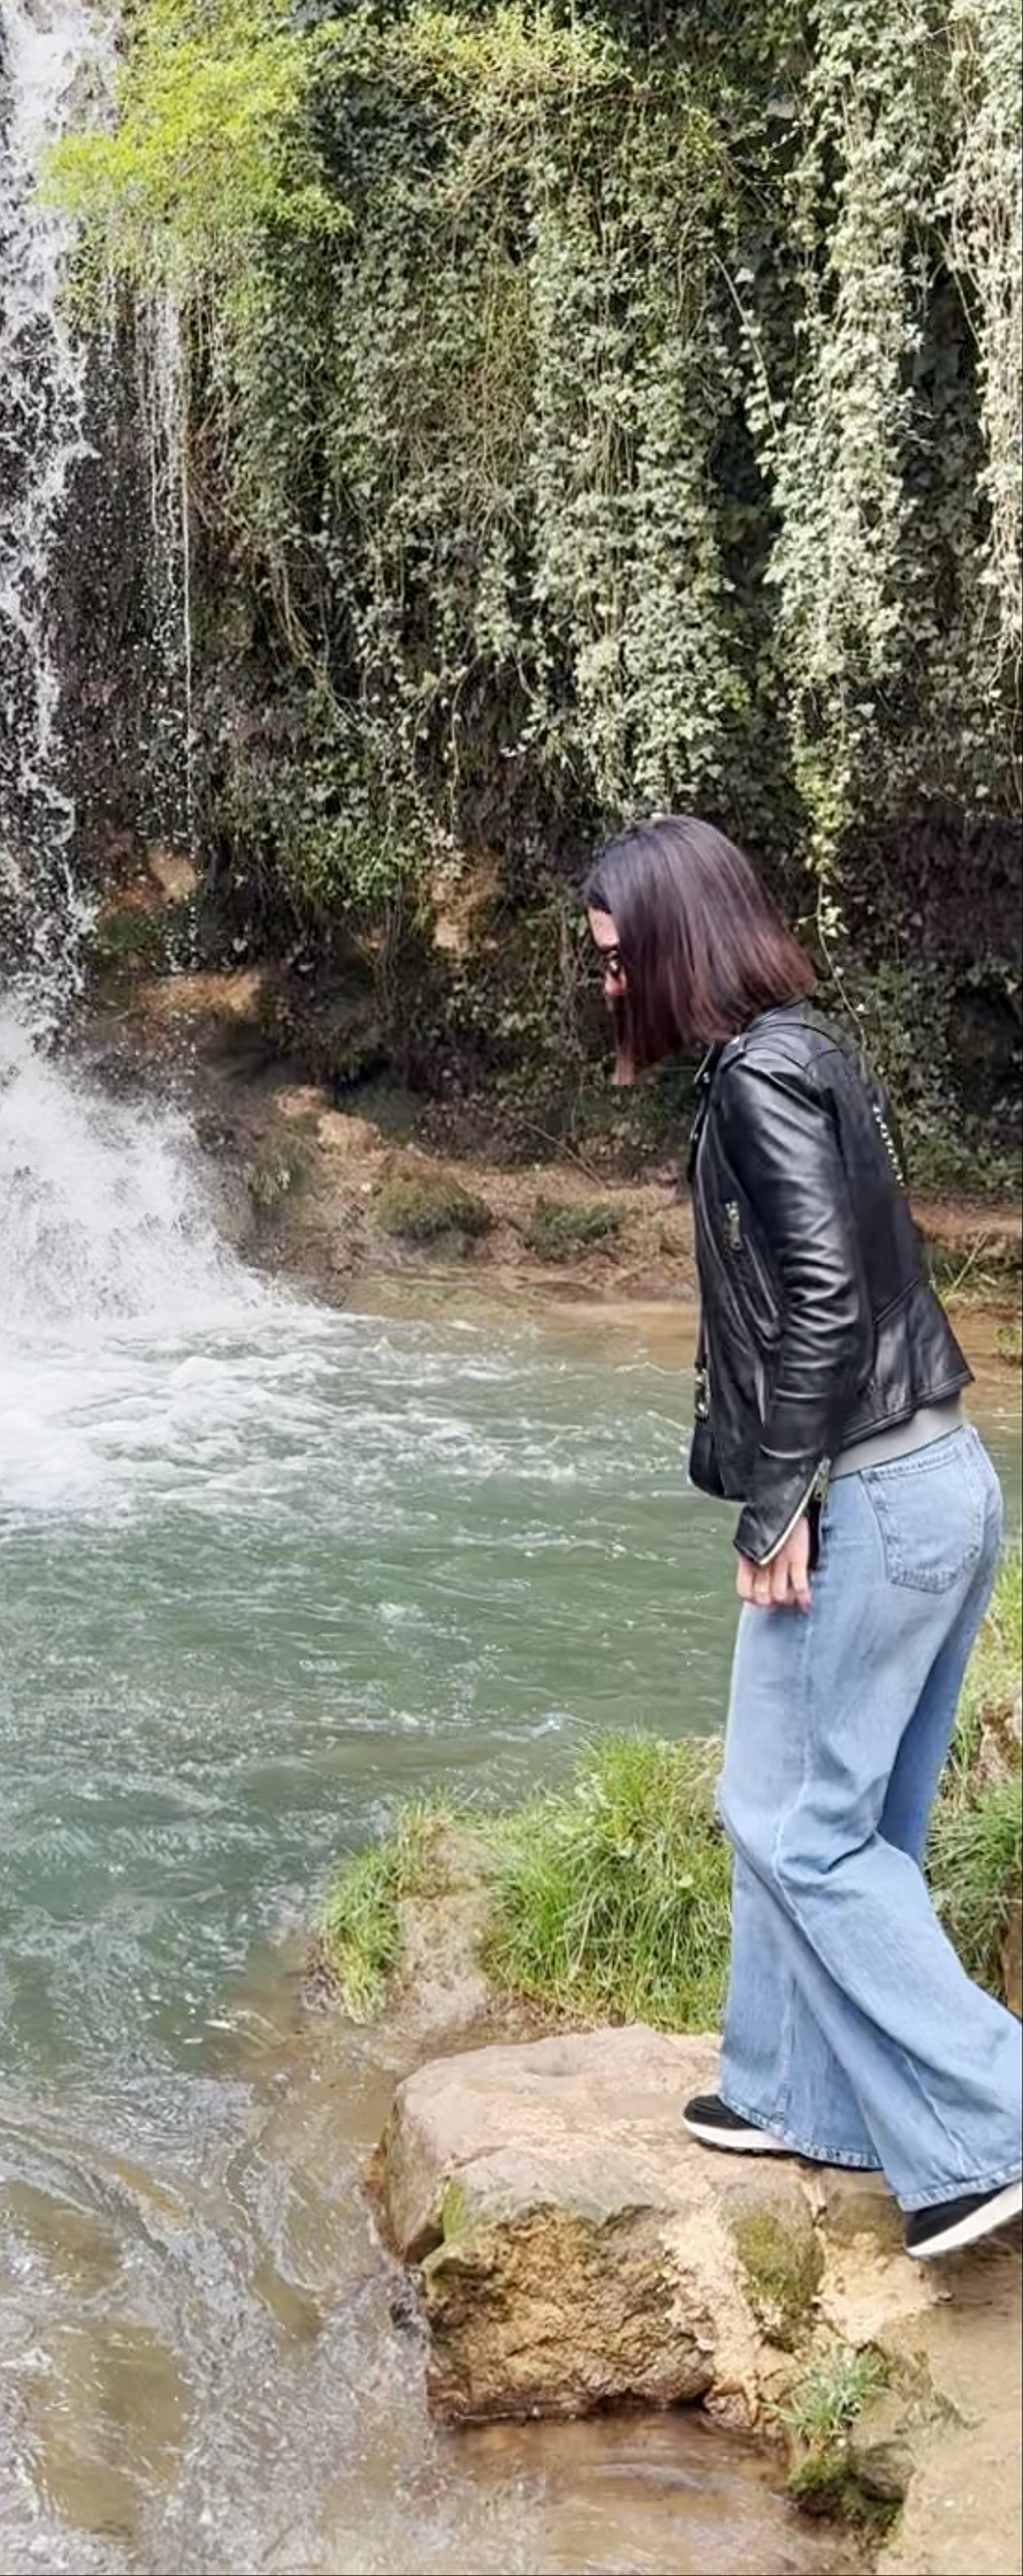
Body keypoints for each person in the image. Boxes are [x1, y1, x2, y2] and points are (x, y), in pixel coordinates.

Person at [582, 814, 1020, 2262]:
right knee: (806, 1812)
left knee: (816, 1836)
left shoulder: (765, 1079)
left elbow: (829, 1301)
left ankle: (993, 2126)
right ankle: (790, 2091)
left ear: (667, 946)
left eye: (610, 959)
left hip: (863, 1495)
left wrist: (781, 1502)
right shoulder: (801, 1050)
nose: (603, 986)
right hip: (926, 1475)